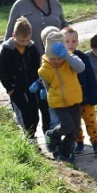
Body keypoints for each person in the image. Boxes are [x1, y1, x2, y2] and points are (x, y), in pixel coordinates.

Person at [5, 0, 67, 134]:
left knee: (59, 100)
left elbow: (64, 26)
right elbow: (9, 36)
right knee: (41, 102)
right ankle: (45, 134)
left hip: (58, 62)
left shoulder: (54, 3)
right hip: (33, 65)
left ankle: (59, 133)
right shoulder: (19, 6)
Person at [38, 29, 85, 163]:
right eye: (52, 58)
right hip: (58, 103)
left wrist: (66, 56)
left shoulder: (70, 60)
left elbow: (81, 67)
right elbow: (47, 85)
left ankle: (64, 155)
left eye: (58, 57)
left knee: (74, 132)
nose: (56, 61)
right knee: (67, 125)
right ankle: (52, 134)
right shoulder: (45, 69)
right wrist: (47, 94)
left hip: (74, 100)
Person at [0, 16, 41, 140]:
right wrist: (9, 87)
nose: (25, 43)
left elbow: (36, 65)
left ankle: (32, 134)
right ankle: (30, 138)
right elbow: (2, 70)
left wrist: (37, 80)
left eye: (27, 40)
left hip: (31, 85)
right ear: (13, 35)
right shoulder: (7, 50)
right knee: (25, 112)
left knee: (34, 114)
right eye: (22, 41)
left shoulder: (31, 48)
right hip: (15, 87)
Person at [61, 27, 97, 156]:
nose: (70, 44)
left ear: (77, 42)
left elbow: (91, 77)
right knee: (75, 124)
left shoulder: (83, 57)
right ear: (61, 42)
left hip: (86, 98)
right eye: (67, 41)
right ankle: (79, 142)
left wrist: (94, 96)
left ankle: (95, 142)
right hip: (71, 100)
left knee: (90, 121)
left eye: (73, 41)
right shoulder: (61, 60)